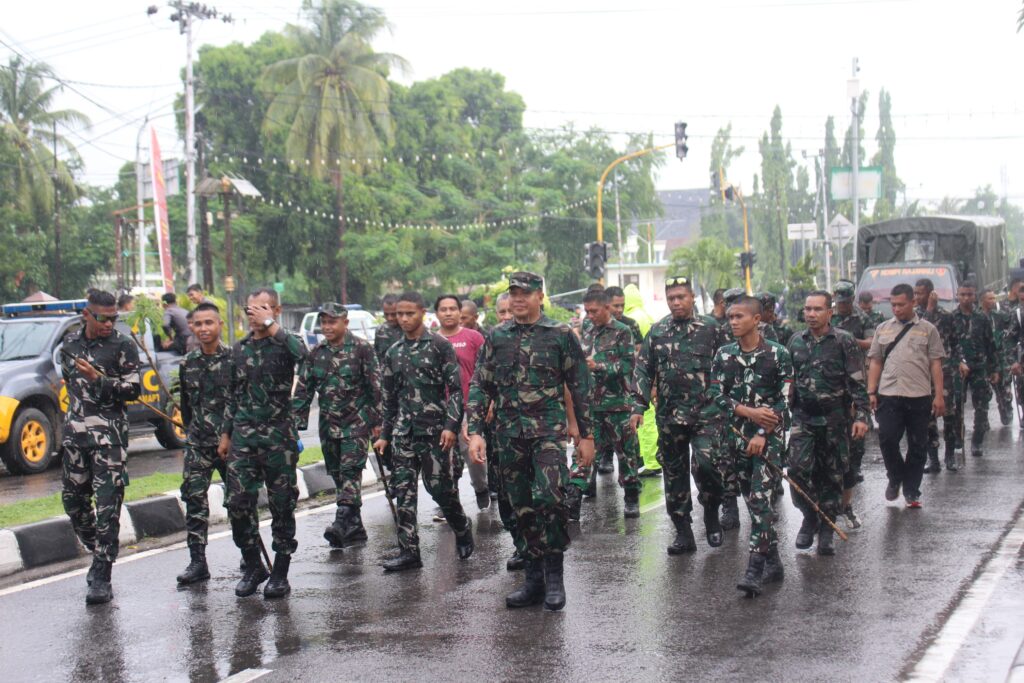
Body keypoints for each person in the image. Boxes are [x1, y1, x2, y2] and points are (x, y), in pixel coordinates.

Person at [468, 271, 594, 611]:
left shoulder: (560, 335)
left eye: (525, 293)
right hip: (508, 434)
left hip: (547, 433)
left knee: (551, 498)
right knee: (516, 505)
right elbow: (481, 385)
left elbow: (580, 386)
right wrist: (477, 430)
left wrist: (586, 436)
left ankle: (554, 575)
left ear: (540, 296)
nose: (517, 299)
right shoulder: (497, 337)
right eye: (513, 294)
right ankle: (533, 576)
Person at [373, 292, 473, 572]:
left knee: (439, 488)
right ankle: (409, 551)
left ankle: (462, 526)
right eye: (399, 315)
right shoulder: (394, 352)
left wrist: (451, 426)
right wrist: (384, 433)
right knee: (403, 491)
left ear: (422, 313)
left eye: (409, 314)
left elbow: (454, 390)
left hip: (435, 432)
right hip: (404, 433)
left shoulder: (439, 346)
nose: (404, 319)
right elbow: (389, 398)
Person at [220, 287, 307, 599]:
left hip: (278, 436)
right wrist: (226, 434)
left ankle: (280, 571)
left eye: (263, 308)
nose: (255, 313)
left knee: (282, 503)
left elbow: (304, 358)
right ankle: (254, 564)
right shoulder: (239, 349)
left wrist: (273, 327)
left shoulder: (285, 343)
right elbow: (232, 395)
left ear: (276, 310)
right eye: (251, 308)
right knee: (237, 503)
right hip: (243, 437)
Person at [60, 289, 141, 604]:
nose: (109, 323)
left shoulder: (122, 346)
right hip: (75, 439)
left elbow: (132, 390)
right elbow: (68, 385)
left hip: (109, 440)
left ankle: (102, 574)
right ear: (86, 315)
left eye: (114, 318)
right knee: (74, 504)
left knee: (108, 507)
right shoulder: (69, 345)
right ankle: (99, 551)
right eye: (103, 318)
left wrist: (99, 379)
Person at [707, 295, 792, 597]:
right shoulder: (724, 355)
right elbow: (716, 394)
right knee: (753, 500)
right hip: (735, 438)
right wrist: (747, 412)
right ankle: (775, 561)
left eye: (739, 316)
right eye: (730, 317)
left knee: (759, 498)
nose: (733, 322)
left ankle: (754, 568)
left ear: (757, 320)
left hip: (767, 440)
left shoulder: (778, 354)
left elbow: (784, 400)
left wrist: (761, 431)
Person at [631, 276, 724, 554]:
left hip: (706, 413)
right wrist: (638, 406)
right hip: (670, 416)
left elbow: (727, 364)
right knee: (674, 474)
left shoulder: (711, 328)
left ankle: (711, 513)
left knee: (708, 466)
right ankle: (683, 531)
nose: (676, 302)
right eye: (671, 298)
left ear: (692, 297)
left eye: (681, 297)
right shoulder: (658, 332)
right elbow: (643, 370)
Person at [293, 303, 382, 549]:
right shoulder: (317, 352)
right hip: (328, 424)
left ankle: (341, 520)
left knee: (351, 470)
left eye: (332, 322)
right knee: (339, 474)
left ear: (345, 322)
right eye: (324, 322)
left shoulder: (362, 348)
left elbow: (375, 387)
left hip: (357, 422)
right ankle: (355, 527)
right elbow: (304, 388)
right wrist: (295, 424)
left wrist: (377, 422)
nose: (327, 327)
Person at [787, 291, 869, 555]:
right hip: (803, 419)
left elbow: (858, 382)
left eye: (817, 309)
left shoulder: (843, 341)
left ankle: (826, 529)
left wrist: (861, 417)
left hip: (836, 421)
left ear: (829, 312)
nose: (811, 314)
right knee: (797, 470)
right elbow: (789, 380)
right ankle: (810, 515)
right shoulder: (795, 341)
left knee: (833, 476)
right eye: (807, 309)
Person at [867, 284, 945, 508]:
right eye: (893, 305)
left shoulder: (928, 330)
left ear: (913, 303)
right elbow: (875, 361)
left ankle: (912, 489)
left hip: (919, 395)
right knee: (887, 439)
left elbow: (935, 364)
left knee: (918, 445)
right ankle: (895, 476)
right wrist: (871, 391)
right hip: (889, 395)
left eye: (901, 304)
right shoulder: (883, 329)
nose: (897, 309)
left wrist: (938, 396)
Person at [565, 289, 640, 519]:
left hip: (618, 404)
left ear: (607, 308)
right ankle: (574, 497)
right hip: (590, 405)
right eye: (587, 311)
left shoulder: (622, 331)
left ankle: (631, 497)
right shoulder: (586, 327)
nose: (590, 315)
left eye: (594, 311)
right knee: (584, 452)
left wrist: (598, 366)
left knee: (627, 454)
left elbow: (628, 366)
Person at [176, 303, 233, 585]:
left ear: (220, 324)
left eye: (209, 323)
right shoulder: (188, 363)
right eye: (198, 324)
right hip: (198, 443)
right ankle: (197, 561)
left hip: (231, 444)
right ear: (192, 327)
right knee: (194, 499)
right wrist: (190, 434)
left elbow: (241, 403)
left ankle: (249, 556)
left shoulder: (234, 360)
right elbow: (187, 405)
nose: (204, 329)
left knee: (239, 502)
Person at [435, 294, 489, 509]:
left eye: (452, 309)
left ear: (459, 312)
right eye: (443, 309)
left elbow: (485, 371)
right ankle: (448, 501)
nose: (448, 313)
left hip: (469, 406)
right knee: (443, 457)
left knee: (472, 454)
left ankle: (481, 488)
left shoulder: (474, 338)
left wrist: (487, 402)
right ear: (436, 313)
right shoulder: (431, 340)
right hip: (441, 409)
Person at [831, 280, 875, 526]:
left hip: (856, 377)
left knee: (855, 441)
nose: (842, 306)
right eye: (839, 302)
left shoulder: (862, 319)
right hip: (832, 387)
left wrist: (847, 341)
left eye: (846, 302)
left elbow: (871, 343)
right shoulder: (829, 317)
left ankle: (847, 497)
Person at [914, 278, 959, 472]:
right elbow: (919, 334)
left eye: (921, 293)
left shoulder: (946, 316)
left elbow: (955, 343)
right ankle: (933, 459)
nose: (917, 297)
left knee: (949, 416)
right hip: (922, 374)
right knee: (927, 419)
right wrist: (928, 310)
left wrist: (959, 364)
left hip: (944, 373)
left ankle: (950, 455)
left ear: (931, 294)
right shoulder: (914, 316)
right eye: (915, 293)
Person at [950, 281, 999, 458]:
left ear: (974, 296)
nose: (966, 298)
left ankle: (978, 440)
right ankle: (957, 436)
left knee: (982, 404)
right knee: (956, 405)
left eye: (969, 294)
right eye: (962, 294)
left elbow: (990, 344)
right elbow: (949, 344)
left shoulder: (982, 318)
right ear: (957, 295)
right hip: (958, 368)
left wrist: (995, 369)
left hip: (979, 367)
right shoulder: (951, 317)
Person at [980, 289, 1013, 426]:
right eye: (990, 299)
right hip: (983, 358)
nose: (993, 302)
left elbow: (1013, 324)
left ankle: (1006, 410)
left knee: (1004, 387)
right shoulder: (977, 317)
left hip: (999, 356)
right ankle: (983, 419)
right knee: (983, 391)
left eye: (994, 299)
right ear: (982, 301)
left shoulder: (999, 316)